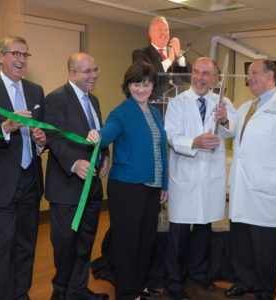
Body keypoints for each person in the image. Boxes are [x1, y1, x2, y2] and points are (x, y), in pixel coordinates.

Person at [225, 60, 276, 300]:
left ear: (270, 75)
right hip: (243, 187)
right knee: (241, 238)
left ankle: (264, 288)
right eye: (248, 74)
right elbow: (230, 131)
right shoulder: (245, 107)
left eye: (254, 73)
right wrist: (222, 119)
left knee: (265, 245)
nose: (249, 78)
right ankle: (244, 281)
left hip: (267, 188)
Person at [0, 36, 46, 300]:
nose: (21, 60)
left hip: (31, 179)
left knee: (26, 243)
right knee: (4, 244)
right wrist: (6, 127)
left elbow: (43, 132)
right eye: (15, 53)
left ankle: (21, 293)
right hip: (0, 182)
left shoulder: (36, 91)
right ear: (1, 57)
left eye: (25, 55)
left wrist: (41, 142)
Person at [86, 61, 168, 300]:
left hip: (152, 188)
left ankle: (140, 287)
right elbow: (106, 134)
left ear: (153, 86)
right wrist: (96, 136)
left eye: (146, 84)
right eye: (136, 84)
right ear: (128, 86)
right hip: (127, 188)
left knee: (146, 242)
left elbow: (160, 148)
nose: (141, 89)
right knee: (127, 244)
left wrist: (164, 184)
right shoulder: (121, 112)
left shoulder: (154, 112)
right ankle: (126, 293)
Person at [163, 57, 237, 300]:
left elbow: (232, 130)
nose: (199, 77)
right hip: (185, 176)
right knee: (179, 235)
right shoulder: (177, 103)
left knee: (204, 230)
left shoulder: (222, 102)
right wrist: (194, 142)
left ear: (215, 78)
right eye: (196, 72)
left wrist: (224, 119)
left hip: (210, 179)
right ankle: (174, 282)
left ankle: (199, 274)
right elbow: (172, 136)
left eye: (206, 74)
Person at [43, 52, 110, 300]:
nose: (94, 75)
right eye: (87, 71)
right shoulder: (56, 99)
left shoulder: (94, 100)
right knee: (66, 244)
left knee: (84, 244)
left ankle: (78, 290)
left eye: (95, 69)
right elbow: (55, 137)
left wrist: (105, 156)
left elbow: (99, 135)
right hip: (67, 188)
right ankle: (60, 293)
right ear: (72, 74)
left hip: (91, 188)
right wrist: (74, 163)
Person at [132, 16, 190, 100]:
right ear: (150, 33)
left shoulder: (176, 53)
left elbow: (188, 78)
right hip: (152, 107)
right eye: (160, 30)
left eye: (166, 30)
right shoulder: (140, 54)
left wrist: (179, 57)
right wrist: (169, 60)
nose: (164, 33)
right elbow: (144, 77)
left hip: (175, 107)